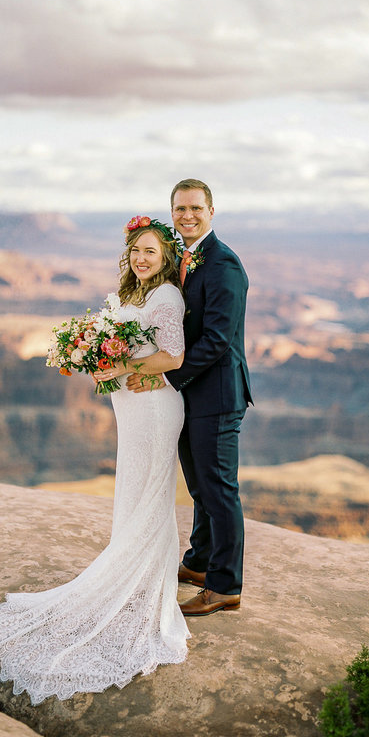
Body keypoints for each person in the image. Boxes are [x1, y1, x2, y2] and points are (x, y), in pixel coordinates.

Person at [0, 216, 190, 703]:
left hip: (156, 410)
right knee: (130, 491)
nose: (142, 258)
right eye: (136, 250)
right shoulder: (127, 296)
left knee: (149, 497)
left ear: (165, 260)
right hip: (131, 409)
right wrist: (89, 356)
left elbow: (174, 355)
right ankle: (134, 585)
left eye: (151, 253)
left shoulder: (165, 297)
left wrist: (118, 365)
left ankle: (144, 595)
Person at [128, 179, 253, 617]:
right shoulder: (183, 259)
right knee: (199, 484)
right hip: (191, 393)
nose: (187, 215)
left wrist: (164, 372)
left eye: (195, 208)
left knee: (219, 489)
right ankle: (200, 562)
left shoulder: (224, 265)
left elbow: (218, 340)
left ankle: (224, 585)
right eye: (180, 208)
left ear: (212, 211)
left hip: (217, 394)